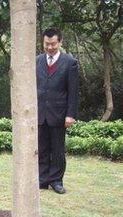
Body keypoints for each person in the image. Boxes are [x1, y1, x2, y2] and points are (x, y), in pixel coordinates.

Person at [36, 28, 79, 194]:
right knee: (42, 148)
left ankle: (56, 181)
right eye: (47, 44)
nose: (50, 47)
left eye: (53, 44)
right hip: (40, 113)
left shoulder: (70, 62)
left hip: (60, 114)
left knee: (58, 150)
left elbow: (73, 91)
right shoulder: (37, 60)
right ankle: (42, 179)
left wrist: (70, 114)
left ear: (60, 42)